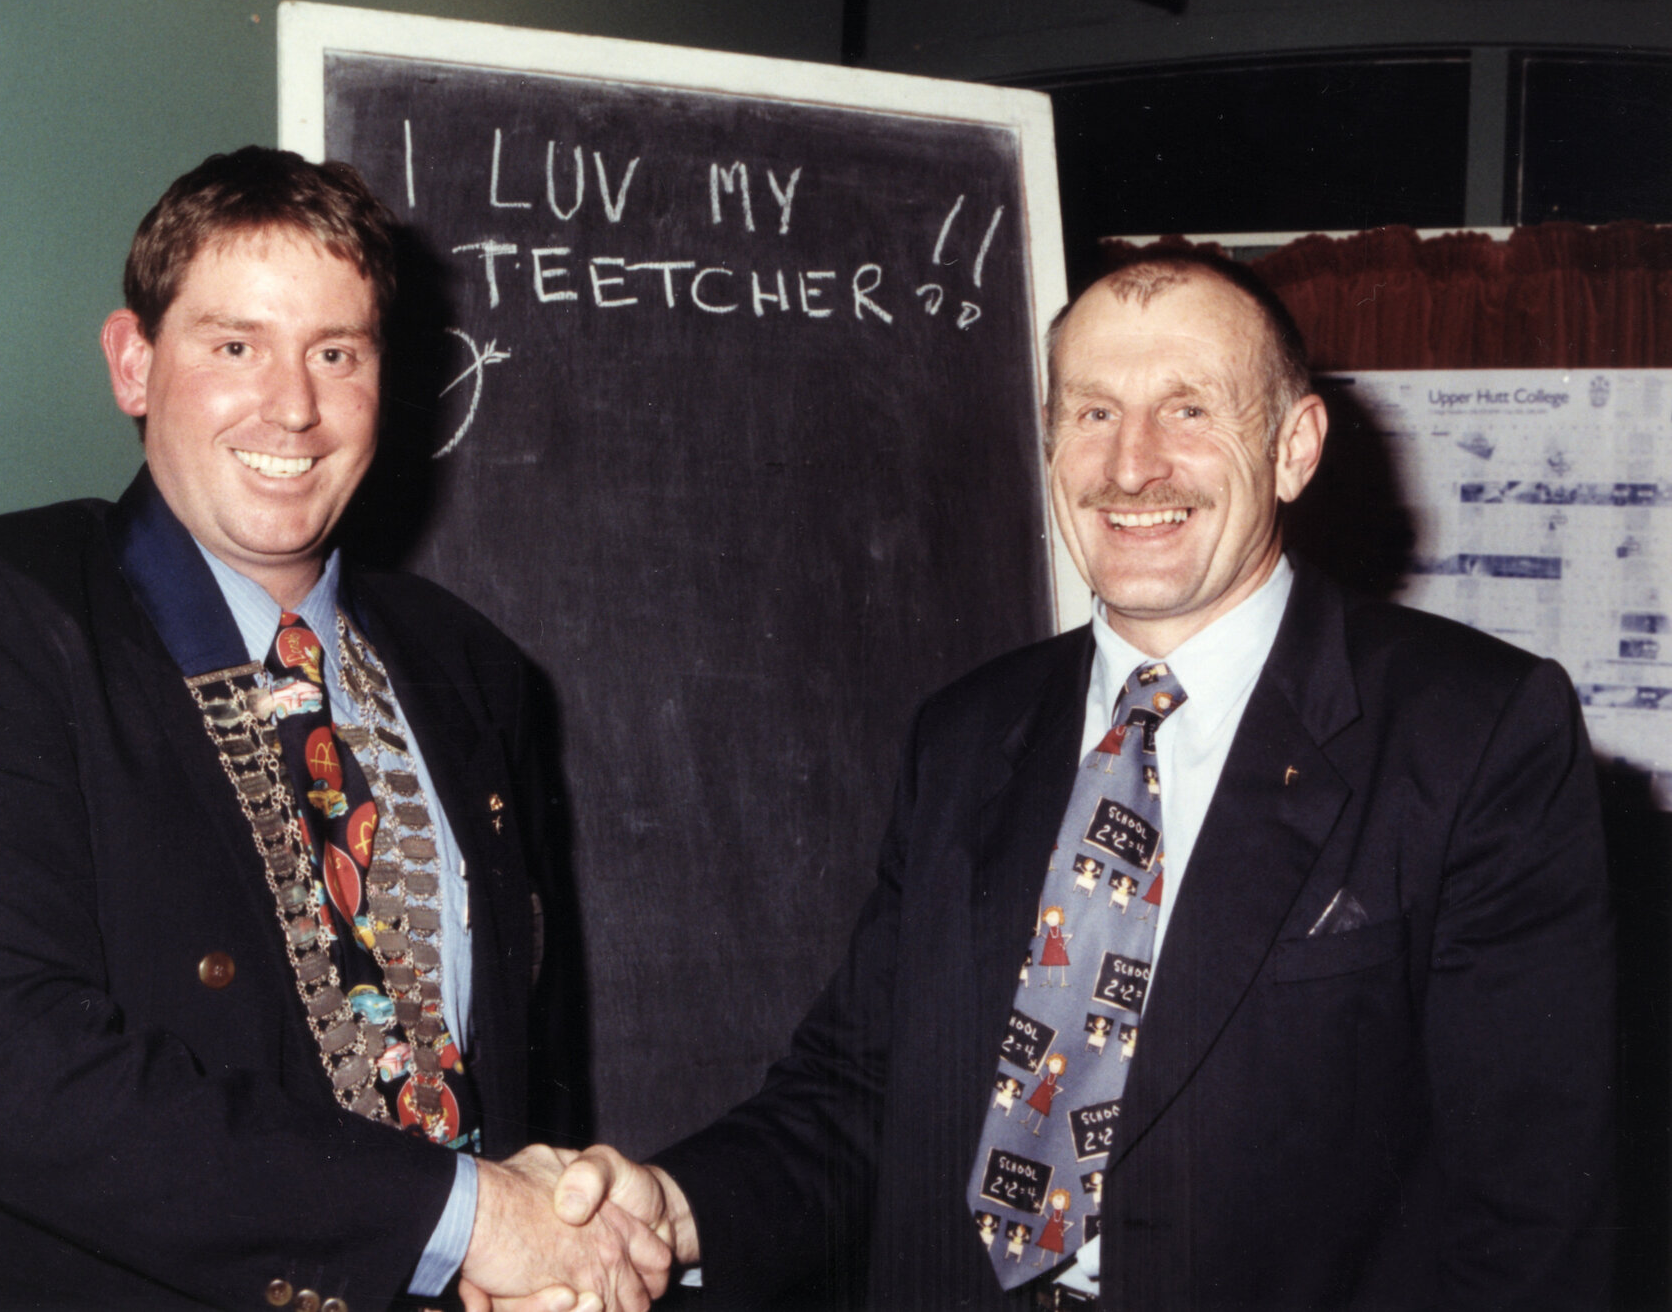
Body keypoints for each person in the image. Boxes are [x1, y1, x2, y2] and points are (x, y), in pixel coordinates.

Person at [545, 252, 1615, 1310]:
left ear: (1293, 449)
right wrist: (671, 1208)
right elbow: (863, 1092)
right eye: (1092, 414)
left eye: (1189, 410)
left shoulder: (1473, 731)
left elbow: (1532, 1211)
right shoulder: (965, 734)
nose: (1132, 465)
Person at [0, 147, 668, 1312]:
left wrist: (560, 1217)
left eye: (336, 353)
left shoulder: (473, 669)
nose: (294, 407)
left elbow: (515, 1070)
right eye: (235, 347)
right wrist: (469, 1221)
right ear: (133, 363)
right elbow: (7, 1073)